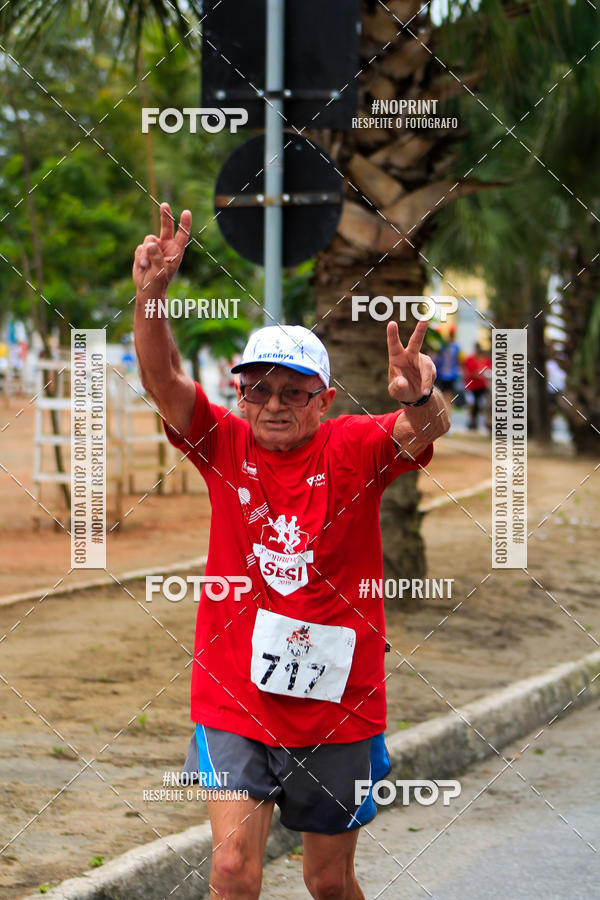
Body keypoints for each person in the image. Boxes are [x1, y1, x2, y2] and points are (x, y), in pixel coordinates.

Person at [132, 203, 450, 900]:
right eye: (257, 389)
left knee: (327, 881)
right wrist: (152, 296)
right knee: (231, 870)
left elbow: (425, 427)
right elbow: (163, 382)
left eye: (292, 391)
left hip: (337, 701)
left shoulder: (353, 446)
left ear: (324, 399)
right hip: (233, 695)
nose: (273, 404)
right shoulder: (223, 442)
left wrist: (421, 393)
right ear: (240, 394)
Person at [462, 343, 491, 431]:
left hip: (481, 386)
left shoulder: (486, 360)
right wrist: (474, 374)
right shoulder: (469, 359)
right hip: (471, 386)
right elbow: (466, 371)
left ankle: (481, 422)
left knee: (482, 404)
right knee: (472, 404)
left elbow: (489, 371)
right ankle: (472, 421)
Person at [434, 324, 461, 411]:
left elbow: (437, 360)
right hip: (446, 375)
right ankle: (447, 412)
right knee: (447, 396)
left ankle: (446, 412)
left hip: (445, 375)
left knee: (444, 396)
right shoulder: (454, 347)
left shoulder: (443, 346)